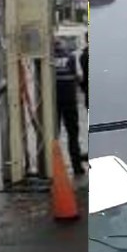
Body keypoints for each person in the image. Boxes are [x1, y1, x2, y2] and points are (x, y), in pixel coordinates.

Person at [53, 40, 85, 175]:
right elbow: (79, 77)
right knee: (73, 134)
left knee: (53, 134)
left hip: (53, 101)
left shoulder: (48, 60)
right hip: (69, 100)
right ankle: (76, 166)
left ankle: (53, 167)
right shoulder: (71, 57)